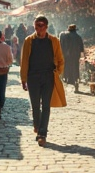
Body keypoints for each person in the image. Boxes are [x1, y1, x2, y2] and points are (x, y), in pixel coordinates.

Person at [20, 15, 64, 147]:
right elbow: (25, 60)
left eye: (40, 26)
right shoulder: (29, 41)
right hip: (33, 77)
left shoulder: (54, 41)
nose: (38, 28)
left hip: (48, 77)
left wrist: (57, 72)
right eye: (36, 26)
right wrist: (23, 79)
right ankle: (37, 125)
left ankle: (42, 133)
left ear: (46, 27)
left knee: (46, 106)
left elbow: (60, 58)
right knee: (35, 105)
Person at [59, 24, 85, 93]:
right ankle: (76, 82)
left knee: (67, 68)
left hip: (67, 56)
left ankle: (66, 80)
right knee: (75, 69)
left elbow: (61, 45)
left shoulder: (65, 36)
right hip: (76, 56)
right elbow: (81, 49)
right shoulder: (78, 37)